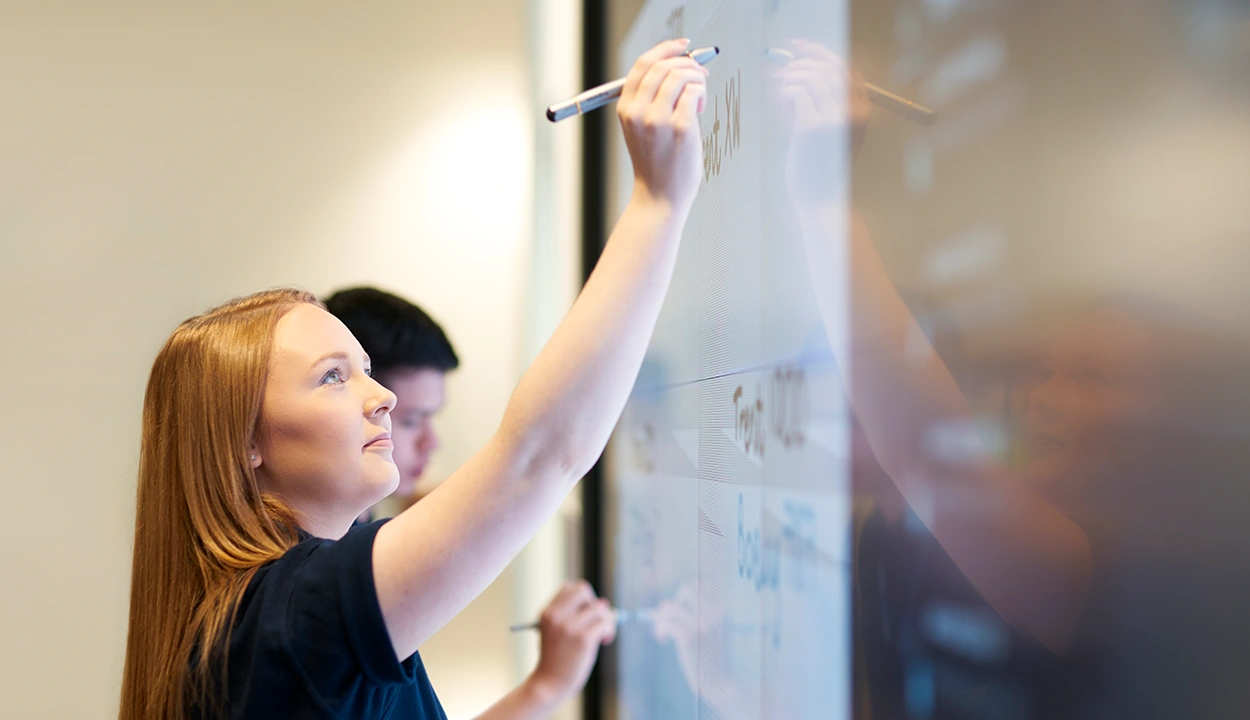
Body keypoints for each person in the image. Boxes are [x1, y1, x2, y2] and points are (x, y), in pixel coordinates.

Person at [118, 38, 709, 720]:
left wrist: (545, 689)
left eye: (367, 371)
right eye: (334, 377)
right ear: (243, 441)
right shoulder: (287, 617)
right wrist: (658, 204)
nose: (385, 399)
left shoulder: (269, 626)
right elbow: (540, 455)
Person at [324, 286, 614, 717]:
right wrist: (545, 687)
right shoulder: (325, 580)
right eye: (410, 420)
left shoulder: (344, 541)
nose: (430, 442)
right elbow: (541, 457)